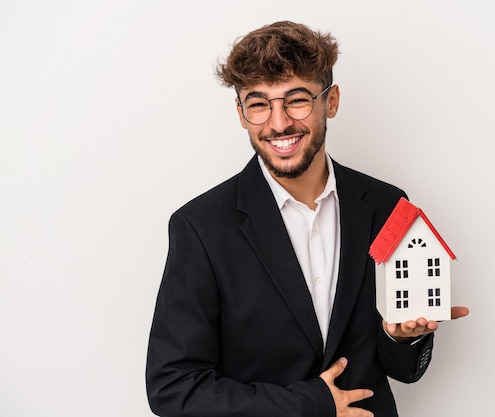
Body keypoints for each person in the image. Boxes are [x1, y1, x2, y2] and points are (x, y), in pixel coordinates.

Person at [146, 21, 469, 417]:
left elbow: (401, 371)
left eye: (296, 100)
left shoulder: (387, 206)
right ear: (241, 113)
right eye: (259, 103)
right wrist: (310, 404)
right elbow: (173, 387)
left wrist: (402, 337)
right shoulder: (200, 227)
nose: (278, 123)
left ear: (330, 101)